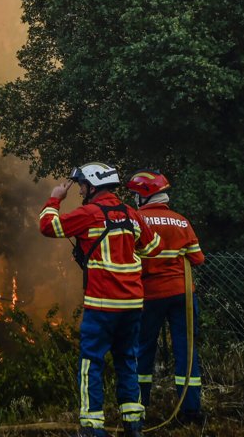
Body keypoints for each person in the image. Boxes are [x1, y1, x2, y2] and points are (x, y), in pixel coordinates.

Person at [39, 162, 162, 437]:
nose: (81, 190)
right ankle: (133, 425)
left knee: (91, 362)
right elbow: (153, 247)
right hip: (132, 304)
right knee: (127, 359)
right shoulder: (131, 214)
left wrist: (55, 198)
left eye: (82, 185)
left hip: (103, 304)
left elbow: (48, 226)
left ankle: (92, 427)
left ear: (92, 185)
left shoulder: (89, 214)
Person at [126, 170, 206, 426]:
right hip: (183, 294)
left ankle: (138, 407)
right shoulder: (182, 221)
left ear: (144, 196)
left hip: (150, 295)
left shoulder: (137, 220)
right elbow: (198, 258)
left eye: (135, 195)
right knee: (186, 350)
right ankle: (191, 410)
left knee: (143, 349)